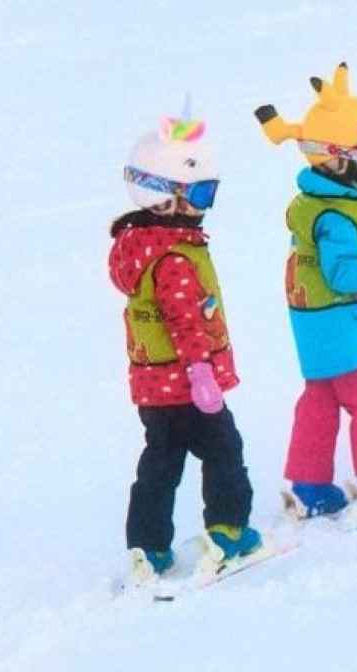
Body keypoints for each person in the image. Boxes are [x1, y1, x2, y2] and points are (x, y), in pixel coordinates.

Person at [255, 63, 357, 514]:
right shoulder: (337, 215)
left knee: (319, 401)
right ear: (334, 156)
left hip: (313, 326)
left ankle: (309, 484)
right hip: (344, 325)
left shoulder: (316, 204)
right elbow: (342, 274)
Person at [111, 112, 260, 583]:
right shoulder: (175, 257)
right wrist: (200, 373)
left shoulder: (140, 247)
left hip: (152, 387)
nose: (204, 206)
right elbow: (186, 320)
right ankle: (229, 532)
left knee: (160, 461)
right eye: (197, 194)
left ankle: (148, 546)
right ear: (162, 198)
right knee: (224, 452)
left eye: (208, 193)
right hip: (190, 386)